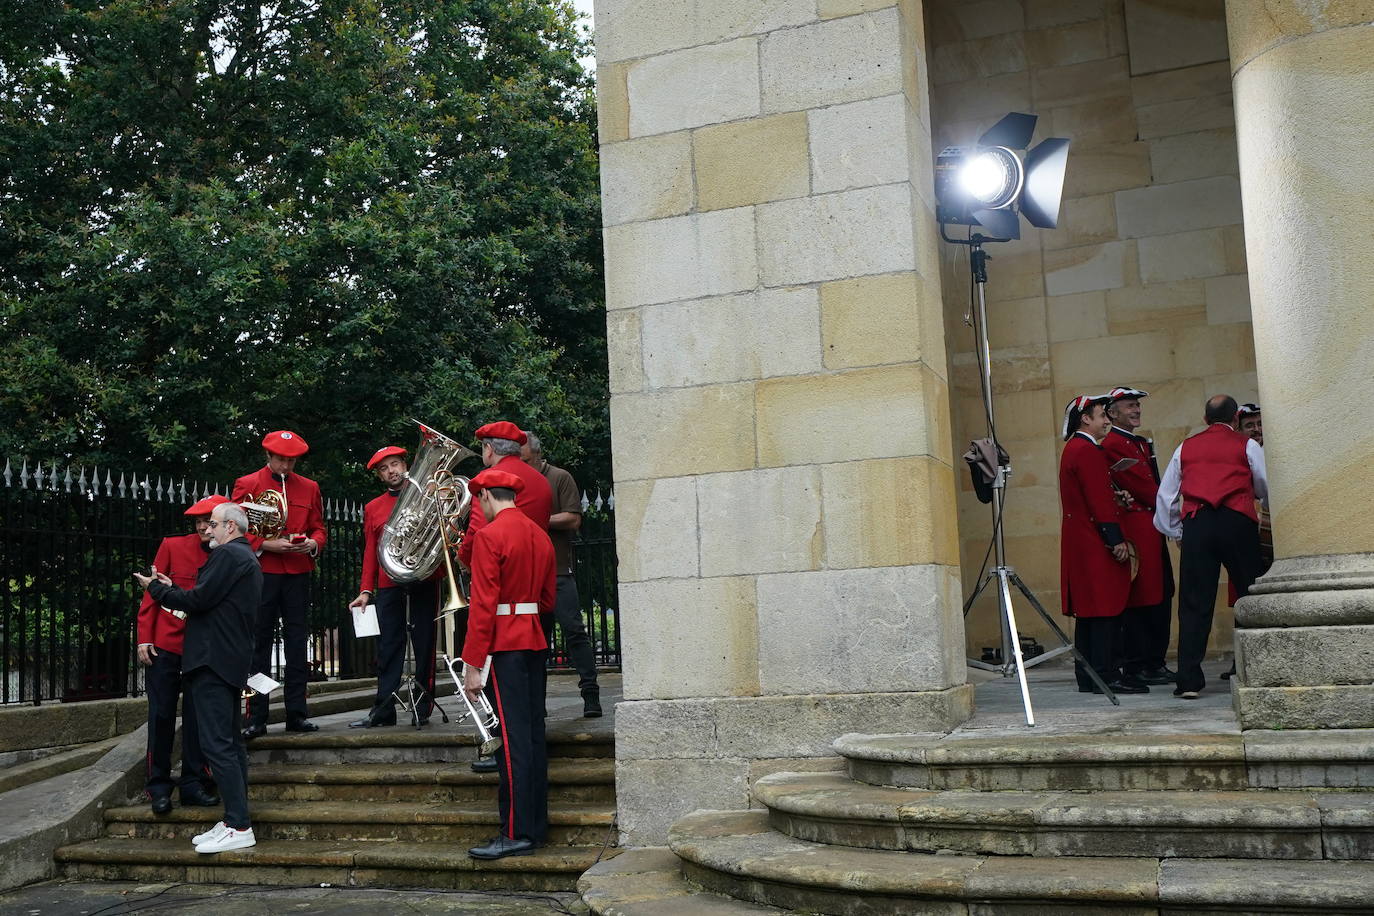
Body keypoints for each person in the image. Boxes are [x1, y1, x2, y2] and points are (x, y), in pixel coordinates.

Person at [135, 502, 262, 854]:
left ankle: (238, 824)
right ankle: (235, 819)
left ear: (231, 528)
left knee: (218, 745)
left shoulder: (229, 556)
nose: (208, 530)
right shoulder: (244, 557)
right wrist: (170, 590)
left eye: (215, 524)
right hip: (225, 659)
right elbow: (208, 602)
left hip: (213, 661)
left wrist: (157, 588)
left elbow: (199, 599)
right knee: (229, 743)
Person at [460, 468, 556, 861]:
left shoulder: (489, 535)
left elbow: (483, 605)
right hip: (533, 639)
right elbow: (548, 600)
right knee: (531, 737)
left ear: (484, 497)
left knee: (511, 743)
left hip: (504, 644)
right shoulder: (540, 535)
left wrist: (472, 663)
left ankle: (516, 831)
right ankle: (536, 826)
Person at [1155, 395, 1269, 699]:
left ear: (1205, 420)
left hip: (1198, 524)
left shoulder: (1185, 447)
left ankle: (1189, 681)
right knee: (1249, 596)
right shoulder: (1248, 444)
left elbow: (1166, 496)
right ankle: (1258, 669)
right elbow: (1263, 484)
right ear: (1235, 419)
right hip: (1237, 522)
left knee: (1194, 603)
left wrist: (1176, 529)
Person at [135, 494, 228, 815]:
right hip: (165, 646)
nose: (203, 526)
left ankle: (192, 783)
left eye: (209, 520)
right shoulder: (173, 546)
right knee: (160, 716)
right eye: (199, 521)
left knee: (197, 719)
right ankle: (158, 786)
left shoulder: (229, 554)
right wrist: (144, 636)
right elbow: (152, 593)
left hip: (202, 650)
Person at [233, 430, 327, 737]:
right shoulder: (248, 484)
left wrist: (312, 543)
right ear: (269, 457)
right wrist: (265, 545)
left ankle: (296, 714)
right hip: (262, 572)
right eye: (281, 460)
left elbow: (319, 528)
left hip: (297, 571)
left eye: (292, 461)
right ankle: (256, 716)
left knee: (298, 644)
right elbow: (234, 529)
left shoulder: (310, 487)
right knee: (258, 645)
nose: (287, 467)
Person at [348, 445, 440, 728]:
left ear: (405, 465)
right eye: (385, 468)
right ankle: (383, 710)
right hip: (389, 582)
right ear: (380, 475)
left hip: (424, 578)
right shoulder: (373, 508)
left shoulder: (425, 495)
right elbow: (370, 551)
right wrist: (366, 590)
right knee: (388, 646)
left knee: (425, 643)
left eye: (396, 464)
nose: (392, 471)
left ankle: (422, 707)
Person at [1059, 394, 1139, 694]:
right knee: (1105, 608)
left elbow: (1091, 496)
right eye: (1101, 415)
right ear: (1085, 419)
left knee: (1090, 611)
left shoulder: (1075, 449)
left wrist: (1114, 498)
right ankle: (1106, 674)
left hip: (1082, 537)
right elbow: (1096, 502)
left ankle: (1089, 676)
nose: (1107, 421)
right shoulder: (1087, 450)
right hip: (1094, 540)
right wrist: (1115, 538)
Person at [522, 432, 601, 718]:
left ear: (537, 454)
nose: (521, 464)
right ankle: (536, 704)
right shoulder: (516, 483)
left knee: (575, 632)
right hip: (529, 575)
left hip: (558, 571)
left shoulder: (559, 477)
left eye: (525, 459)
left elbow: (573, 518)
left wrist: (533, 520)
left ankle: (591, 694)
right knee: (536, 640)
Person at [1103, 386, 1176, 686]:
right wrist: (1171, 506)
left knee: (1161, 593)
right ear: (1113, 412)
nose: (1136, 411)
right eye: (1130, 406)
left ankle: (1152, 660)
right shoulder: (1114, 443)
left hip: (1150, 524)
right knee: (1145, 598)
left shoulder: (1137, 443)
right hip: (1137, 526)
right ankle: (1141, 662)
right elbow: (1144, 487)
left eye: (1137, 406)